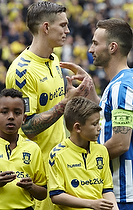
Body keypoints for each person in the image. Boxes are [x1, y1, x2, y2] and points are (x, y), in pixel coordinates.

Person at [5, 1, 91, 209]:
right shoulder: (22, 71)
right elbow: (26, 127)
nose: (67, 30)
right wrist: (65, 103)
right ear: (45, 27)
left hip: (61, 164)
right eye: (62, 25)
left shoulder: (53, 59)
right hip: (39, 174)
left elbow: (57, 108)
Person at [59, 18, 133, 210]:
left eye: (95, 43)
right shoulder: (121, 83)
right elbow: (108, 117)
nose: (90, 49)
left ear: (113, 47)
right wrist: (90, 88)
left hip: (122, 192)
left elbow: (120, 142)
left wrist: (80, 162)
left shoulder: (121, 87)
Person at [48, 96, 119, 210]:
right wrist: (91, 204)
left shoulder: (101, 150)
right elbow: (56, 196)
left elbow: (107, 189)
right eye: (94, 124)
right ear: (78, 127)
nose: (99, 128)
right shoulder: (57, 154)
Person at [0, 88, 47, 210]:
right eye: (4, 112)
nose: (11, 117)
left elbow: (43, 193)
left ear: (23, 118)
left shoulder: (33, 148)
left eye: (17, 113)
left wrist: (31, 187)